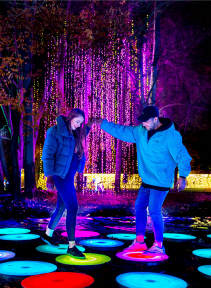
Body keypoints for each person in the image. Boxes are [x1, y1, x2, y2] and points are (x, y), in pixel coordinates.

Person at [95, 106, 192, 255]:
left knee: (154, 210)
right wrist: (103, 123)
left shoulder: (171, 136)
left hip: (161, 181)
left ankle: (159, 245)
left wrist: (183, 176)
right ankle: (140, 241)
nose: (143, 124)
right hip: (147, 179)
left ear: (155, 119)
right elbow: (122, 131)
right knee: (139, 207)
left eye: (146, 122)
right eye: (142, 122)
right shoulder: (140, 132)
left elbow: (182, 156)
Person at [41, 108, 94, 259]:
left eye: (81, 123)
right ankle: (71, 246)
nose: (79, 125)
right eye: (77, 122)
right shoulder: (54, 131)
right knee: (73, 207)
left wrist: (89, 125)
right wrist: (49, 175)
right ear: (70, 118)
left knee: (61, 206)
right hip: (59, 175)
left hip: (69, 174)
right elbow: (48, 154)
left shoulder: (76, 133)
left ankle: (47, 235)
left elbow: (82, 136)